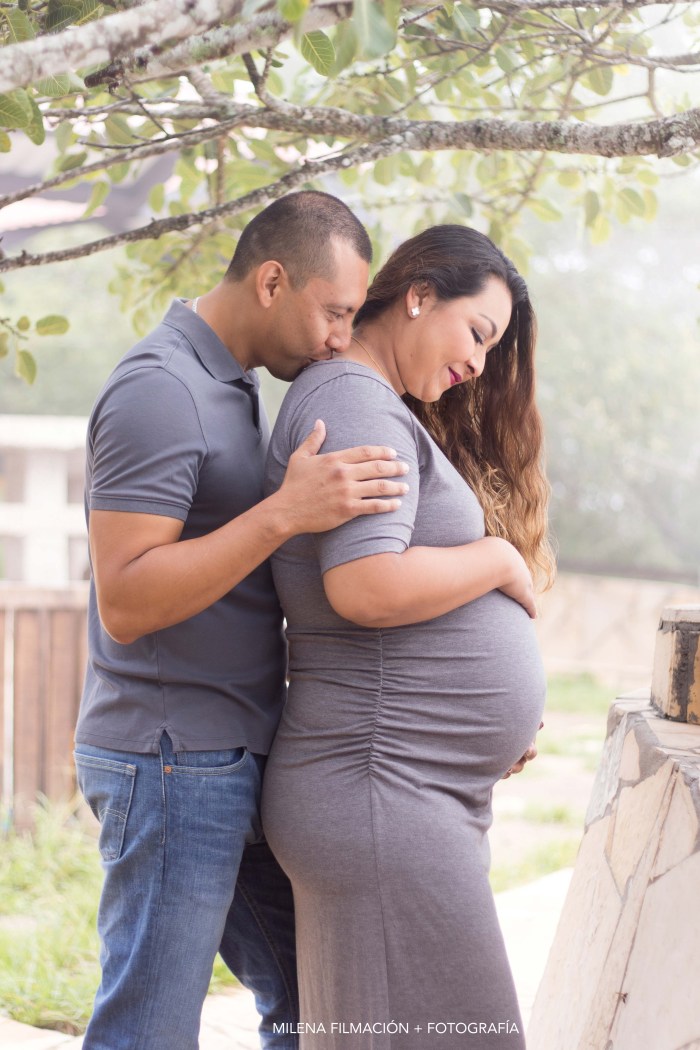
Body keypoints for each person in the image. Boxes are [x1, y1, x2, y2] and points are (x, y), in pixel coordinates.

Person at [72, 190, 413, 1050]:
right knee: (147, 1027)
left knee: (313, 997)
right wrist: (285, 512)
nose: (344, 336)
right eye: (334, 311)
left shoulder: (229, 384)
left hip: (230, 756)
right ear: (272, 281)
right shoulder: (161, 390)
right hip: (171, 761)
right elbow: (127, 599)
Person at [262, 224, 555, 1049]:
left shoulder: (373, 404)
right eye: (478, 334)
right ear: (419, 293)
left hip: (400, 790)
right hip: (381, 788)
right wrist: (496, 557)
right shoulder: (355, 400)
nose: (478, 366)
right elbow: (364, 586)